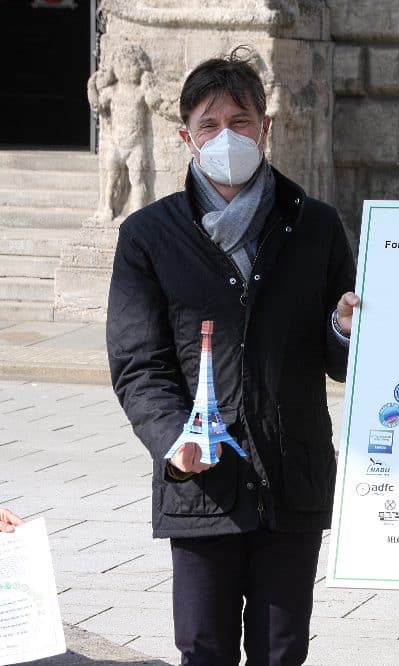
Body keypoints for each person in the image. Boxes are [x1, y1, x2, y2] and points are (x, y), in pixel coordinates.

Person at [107, 49, 360, 665]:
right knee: (203, 645)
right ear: (185, 137)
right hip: (201, 484)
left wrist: (346, 328)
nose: (227, 137)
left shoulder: (317, 227)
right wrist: (174, 440)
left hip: (290, 478)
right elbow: (139, 363)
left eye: (240, 122)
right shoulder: (149, 236)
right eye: (210, 125)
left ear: (266, 127)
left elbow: (340, 362)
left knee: (282, 650)